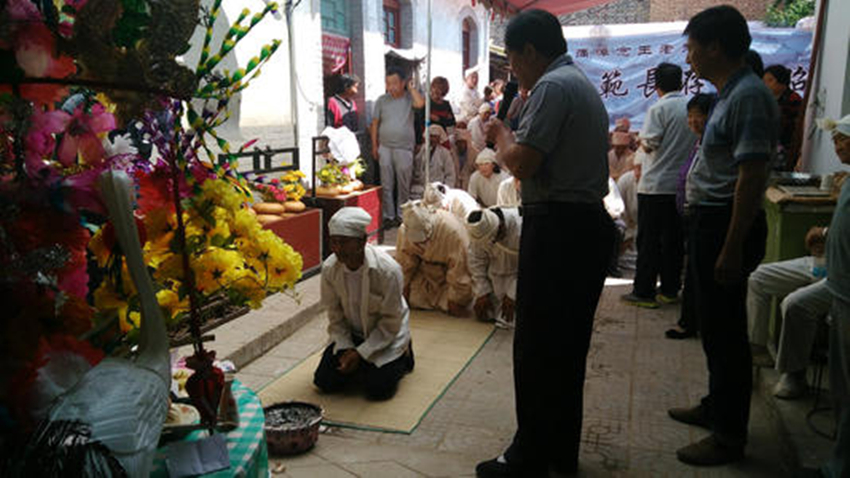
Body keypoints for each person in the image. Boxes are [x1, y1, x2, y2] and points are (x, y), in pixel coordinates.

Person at [476, 10, 615, 478]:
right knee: (563, 349)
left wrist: (500, 135)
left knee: (537, 347)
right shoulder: (573, 84)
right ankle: (557, 453)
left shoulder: (554, 88)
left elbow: (524, 163)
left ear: (530, 51)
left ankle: (529, 457)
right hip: (579, 227)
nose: (512, 72)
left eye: (513, 61)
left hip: (561, 230)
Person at [668, 6, 779, 466]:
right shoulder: (729, 94)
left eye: (693, 47)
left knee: (726, 333)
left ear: (716, 46)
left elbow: (751, 176)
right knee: (714, 329)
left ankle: (729, 435)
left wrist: (732, 245)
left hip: (726, 226)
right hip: (710, 222)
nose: (689, 57)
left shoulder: (748, 96)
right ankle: (717, 407)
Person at [313, 207, 414, 400]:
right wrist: (346, 347)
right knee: (324, 382)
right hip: (353, 335)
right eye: (334, 242)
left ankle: (404, 355)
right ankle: (362, 365)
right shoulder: (330, 269)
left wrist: (361, 354)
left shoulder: (388, 271)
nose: (338, 249)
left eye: (344, 242)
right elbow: (335, 315)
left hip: (386, 336)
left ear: (362, 241)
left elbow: (391, 322)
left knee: (378, 391)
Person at [622, 62, 696, 309]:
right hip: (680, 185)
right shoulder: (690, 107)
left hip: (655, 185)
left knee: (649, 241)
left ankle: (644, 292)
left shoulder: (659, 108)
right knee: (673, 240)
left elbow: (650, 143)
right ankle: (669, 289)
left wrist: (640, 139)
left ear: (656, 86)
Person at [747, 229, 831, 398]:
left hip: (842, 272)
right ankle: (757, 348)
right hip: (825, 260)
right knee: (757, 278)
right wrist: (824, 233)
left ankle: (794, 373)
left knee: (795, 304)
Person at [814, 113, 850, 478]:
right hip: (838, 287)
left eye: (843, 140)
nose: (837, 146)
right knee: (840, 381)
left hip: (847, 293)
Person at [666, 92, 715, 340]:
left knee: (698, 272)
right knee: (693, 269)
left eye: (700, 116)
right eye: (691, 116)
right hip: (691, 212)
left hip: (703, 212)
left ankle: (692, 323)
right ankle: (691, 321)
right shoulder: (699, 142)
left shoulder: (712, 144)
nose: (694, 121)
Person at [395, 200, 474, 317]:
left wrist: (456, 300)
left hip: (448, 278)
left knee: (456, 301)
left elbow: (459, 270)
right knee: (409, 296)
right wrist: (403, 289)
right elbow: (405, 264)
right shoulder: (403, 231)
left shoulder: (452, 232)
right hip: (426, 274)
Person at [370, 67, 426, 229]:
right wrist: (374, 145)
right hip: (385, 147)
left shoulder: (409, 98)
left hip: (404, 148)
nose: (391, 87)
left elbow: (420, 103)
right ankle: (389, 216)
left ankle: (402, 215)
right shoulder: (381, 100)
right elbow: (375, 124)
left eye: (395, 83)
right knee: (386, 184)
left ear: (402, 83)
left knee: (403, 184)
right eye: (388, 83)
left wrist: (411, 87)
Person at [466, 207, 521, 329]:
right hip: (494, 278)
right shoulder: (479, 232)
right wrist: (482, 292)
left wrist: (513, 294)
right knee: (483, 312)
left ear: (500, 226)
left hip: (518, 279)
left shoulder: (521, 227)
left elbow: (530, 265)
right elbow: (476, 260)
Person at [763, 64, 803, 170]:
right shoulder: (768, 100)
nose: (766, 84)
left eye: (770, 80)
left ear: (782, 81)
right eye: (764, 81)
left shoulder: (793, 99)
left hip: (787, 148)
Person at [415, 125, 457, 189]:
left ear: (439, 138)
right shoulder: (420, 150)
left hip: (438, 188)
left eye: (435, 137)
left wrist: (445, 189)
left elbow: (450, 174)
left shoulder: (445, 153)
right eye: (431, 136)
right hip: (420, 187)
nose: (433, 139)